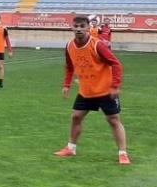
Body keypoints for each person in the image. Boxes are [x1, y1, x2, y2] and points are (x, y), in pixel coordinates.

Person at [55, 15, 130, 164]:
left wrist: (115, 85)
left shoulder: (97, 45)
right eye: (76, 26)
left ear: (89, 28)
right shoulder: (69, 46)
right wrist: (66, 85)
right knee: (76, 117)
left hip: (105, 90)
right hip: (86, 91)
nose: (79, 29)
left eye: (82, 26)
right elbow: (69, 67)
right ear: (72, 28)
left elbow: (116, 64)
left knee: (113, 120)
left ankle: (123, 153)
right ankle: (71, 148)